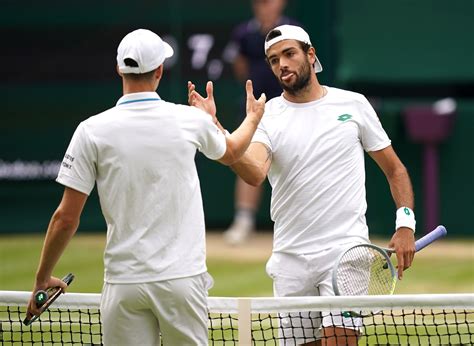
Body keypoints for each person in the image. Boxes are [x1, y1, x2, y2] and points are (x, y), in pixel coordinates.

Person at [26, 29, 266, 345]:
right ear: (159, 71)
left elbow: (65, 218)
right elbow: (234, 151)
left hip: (123, 283)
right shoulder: (188, 119)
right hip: (181, 280)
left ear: (119, 70)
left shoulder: (91, 130)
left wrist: (42, 279)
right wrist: (253, 117)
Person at [191, 25, 416, 346]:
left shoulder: (353, 105)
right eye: (273, 59)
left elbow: (395, 170)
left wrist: (405, 224)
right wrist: (216, 131)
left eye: (289, 53)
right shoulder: (266, 117)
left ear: (311, 56)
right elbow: (253, 172)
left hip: (346, 253)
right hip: (290, 259)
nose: (281, 63)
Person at [223, 0, 299, 245]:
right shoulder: (243, 34)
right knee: (248, 161)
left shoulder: (293, 29)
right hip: (255, 109)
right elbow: (240, 66)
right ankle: (244, 220)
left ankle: (295, 223)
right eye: (260, 2)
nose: (264, 6)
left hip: (290, 108)